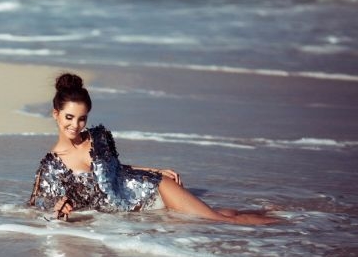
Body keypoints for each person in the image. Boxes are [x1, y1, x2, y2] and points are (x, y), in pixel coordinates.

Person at [29, 73, 279, 225]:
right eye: (69, 117)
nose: (76, 125)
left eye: (82, 118)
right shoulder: (51, 166)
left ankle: (288, 227)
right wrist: (59, 210)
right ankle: (276, 216)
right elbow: (40, 206)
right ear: (56, 114)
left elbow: (116, 170)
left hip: (153, 189)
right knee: (216, 216)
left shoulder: (98, 137)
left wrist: (155, 170)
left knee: (219, 221)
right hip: (139, 209)